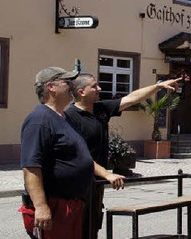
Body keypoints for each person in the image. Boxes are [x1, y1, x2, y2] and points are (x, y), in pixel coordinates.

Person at [65, 73, 181, 239]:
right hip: (79, 184)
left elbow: (131, 98)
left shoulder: (100, 109)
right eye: (94, 86)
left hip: (97, 183)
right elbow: (78, 155)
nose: (99, 88)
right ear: (81, 92)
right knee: (79, 228)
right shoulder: (70, 117)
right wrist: (107, 173)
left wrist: (158, 86)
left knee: (93, 225)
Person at [19, 67, 93, 239]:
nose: (72, 86)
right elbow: (31, 167)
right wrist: (41, 206)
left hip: (70, 205)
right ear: (50, 87)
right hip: (54, 207)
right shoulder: (39, 119)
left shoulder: (62, 117)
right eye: (67, 82)